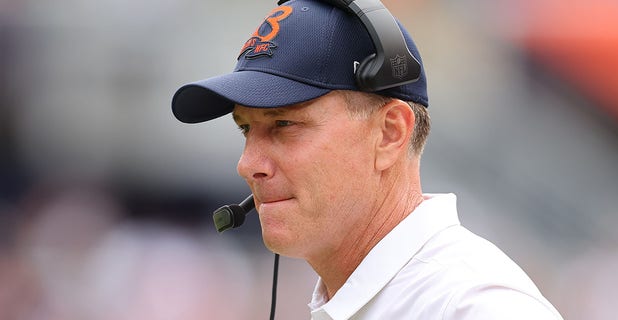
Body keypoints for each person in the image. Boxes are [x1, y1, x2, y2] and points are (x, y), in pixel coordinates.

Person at [171, 0, 564, 319]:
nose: (247, 164)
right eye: (245, 129)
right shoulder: (374, 297)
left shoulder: (474, 307)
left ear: (390, 133)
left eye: (285, 124)